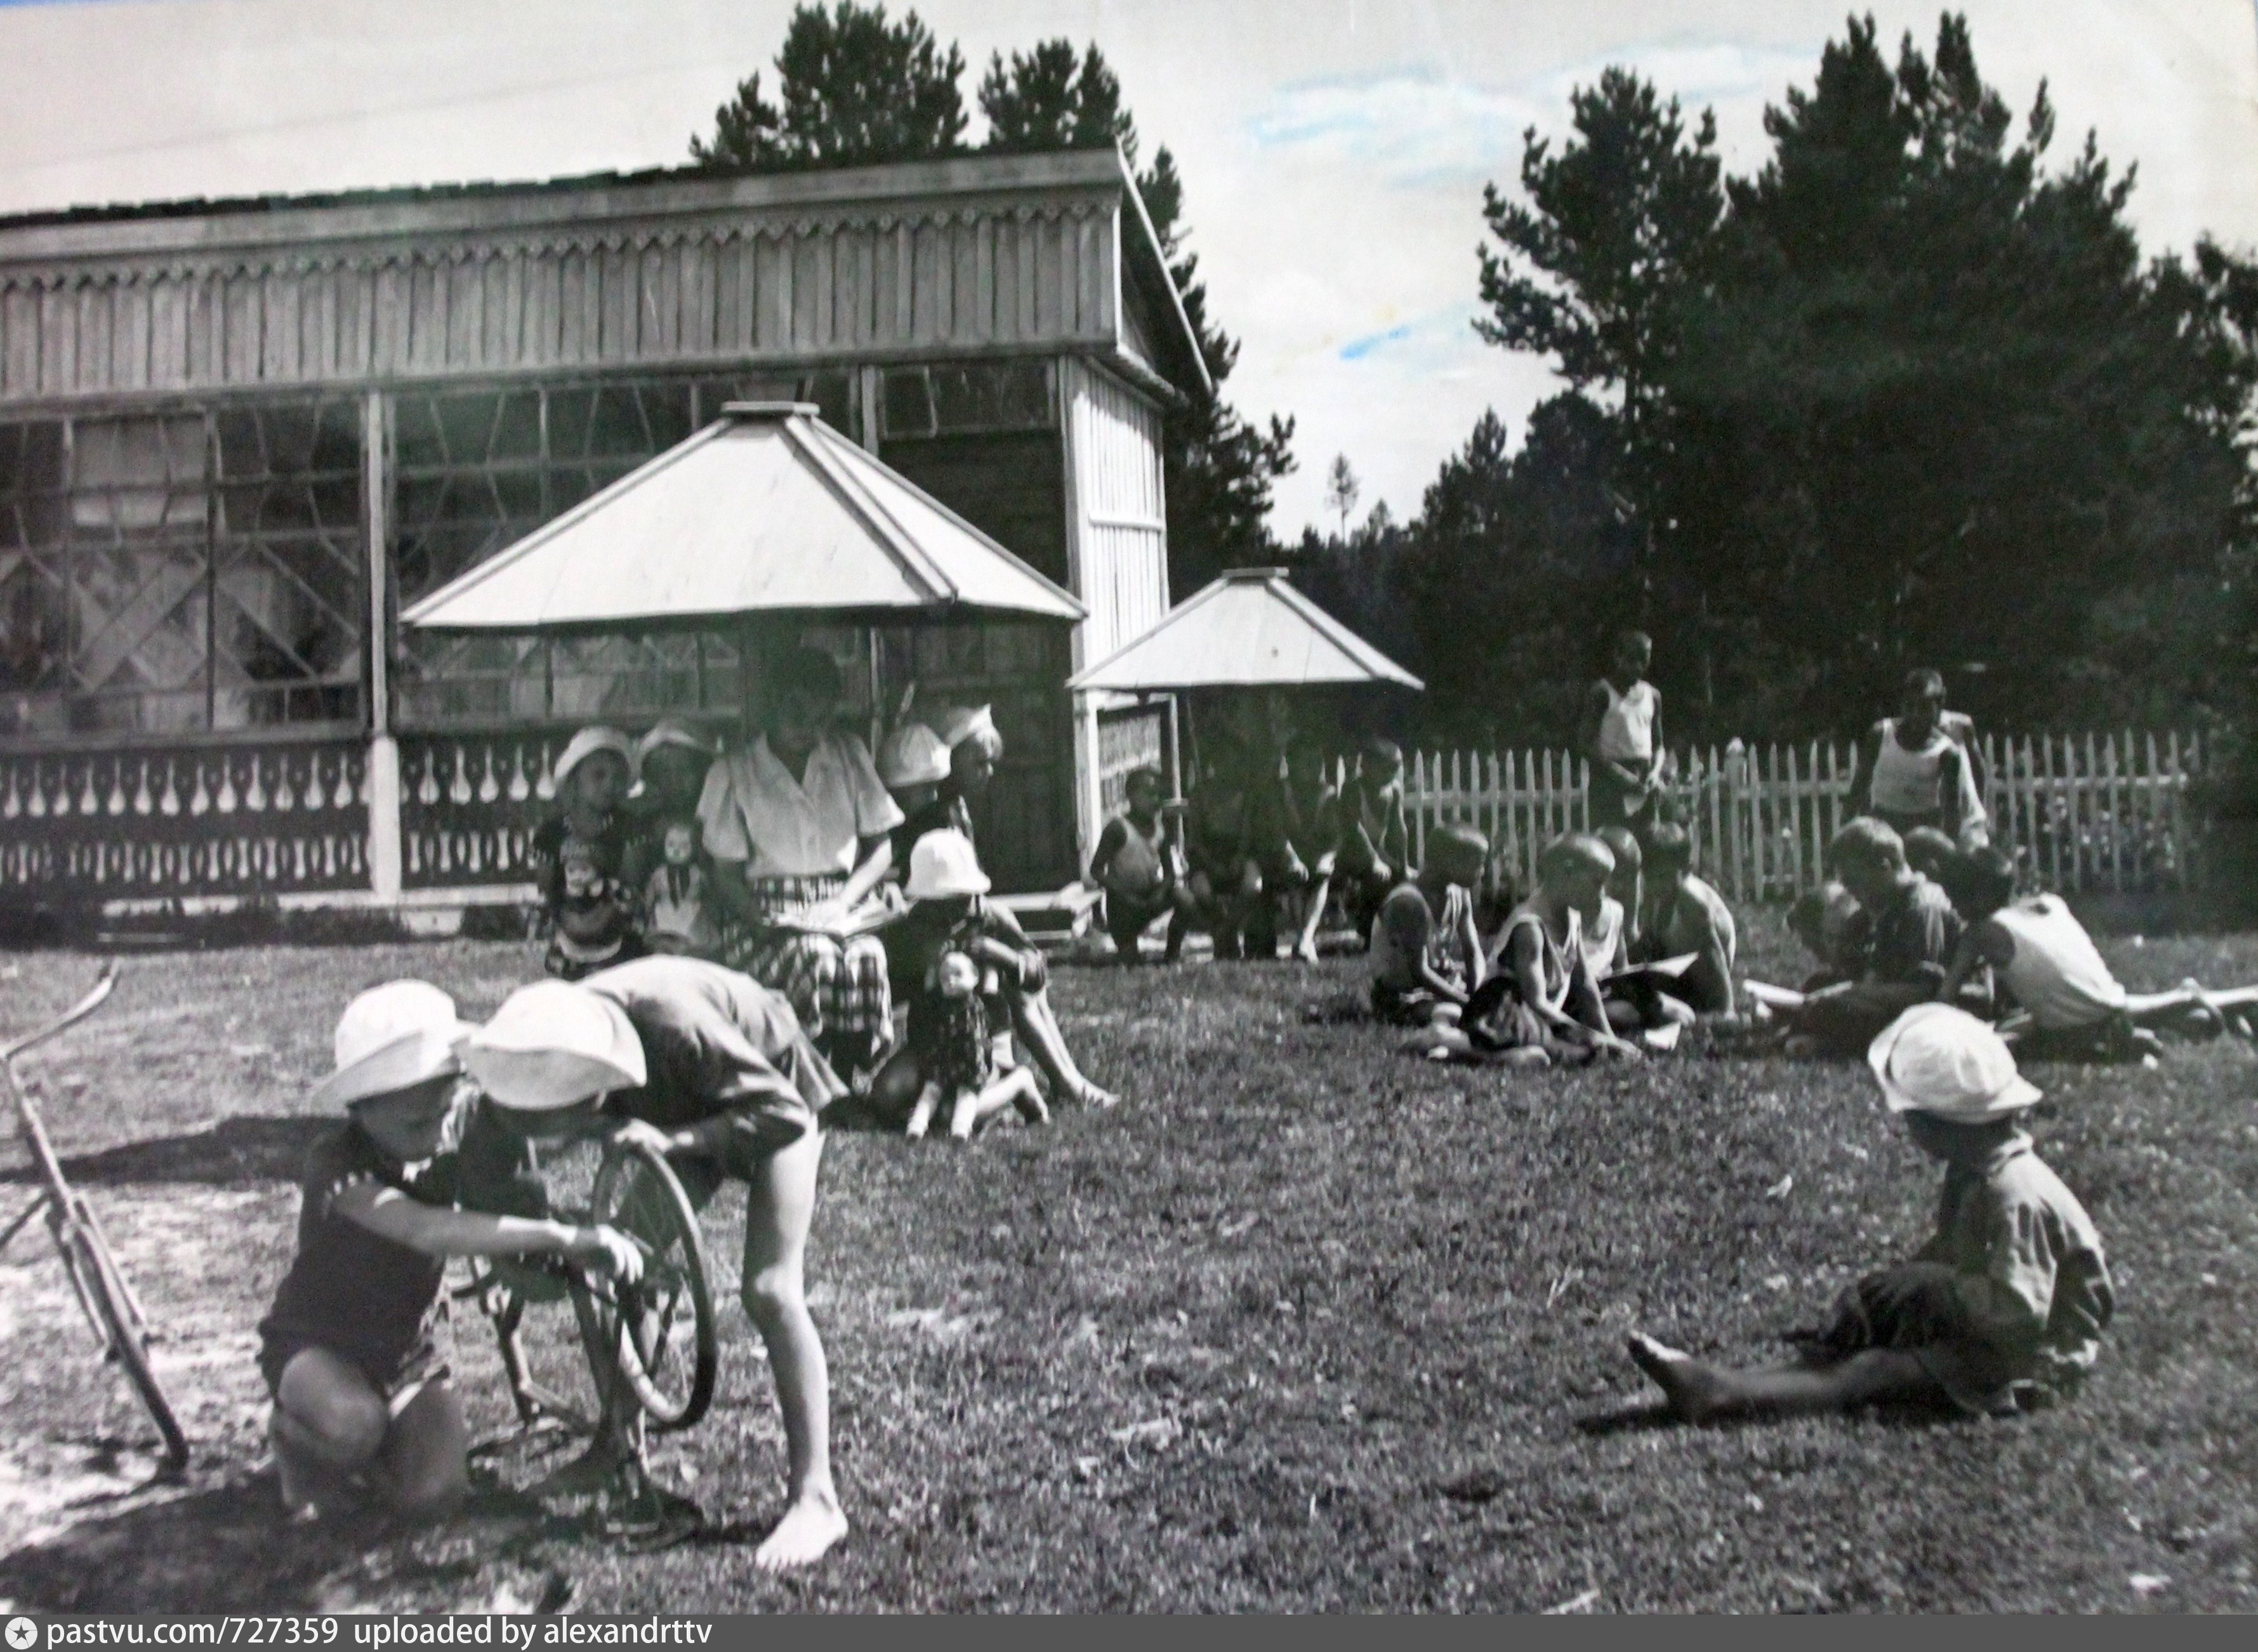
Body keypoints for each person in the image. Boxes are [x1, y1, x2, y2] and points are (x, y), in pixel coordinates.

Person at [465, 961, 850, 1571]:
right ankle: (618, 1441)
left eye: (570, 1122)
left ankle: (817, 1496)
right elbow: (494, 1193)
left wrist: (677, 1142)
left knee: (771, 1289)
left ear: (598, 1085)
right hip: (673, 1096)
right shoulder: (523, 1053)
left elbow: (784, 1112)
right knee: (618, 1262)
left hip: (772, 1088)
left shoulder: (675, 1026)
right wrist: (523, 1257)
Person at [258, 982, 643, 1524]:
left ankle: (370, 1444)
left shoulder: (459, 1128)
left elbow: (511, 1192)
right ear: (362, 1110)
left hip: (407, 1352)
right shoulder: (337, 1162)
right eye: (416, 1122)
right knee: (353, 1425)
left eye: (444, 1108)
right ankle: (294, 1438)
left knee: (434, 1498)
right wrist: (561, 1239)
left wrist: (546, 1243)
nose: (439, 1131)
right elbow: (426, 1229)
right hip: (320, 1342)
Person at [1626, 1003, 2112, 1424]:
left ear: (1936, 1124)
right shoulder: (1976, 1172)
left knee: (1876, 1368)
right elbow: (1954, 1254)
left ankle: (1723, 1394)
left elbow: (2018, 1312)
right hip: (1994, 1333)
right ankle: (1728, 1380)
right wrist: (1893, 1286)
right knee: (1867, 1339)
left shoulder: (2014, 1193)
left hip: (2033, 1359)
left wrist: (1931, 1282)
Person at [699, 648, 904, 1074]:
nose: (807, 728)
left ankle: (847, 1077)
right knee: (816, 955)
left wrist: (843, 902)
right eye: (796, 712)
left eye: (821, 717)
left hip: (840, 906)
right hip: (765, 919)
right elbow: (726, 876)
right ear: (772, 703)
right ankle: (811, 1075)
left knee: (868, 957)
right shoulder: (738, 770)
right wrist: (763, 919)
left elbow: (881, 848)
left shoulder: (847, 756)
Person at [874, 830, 1119, 1117]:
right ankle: (976, 1102)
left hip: (982, 1044)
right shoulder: (915, 928)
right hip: (930, 1044)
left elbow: (1036, 976)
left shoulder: (992, 918)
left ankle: (1018, 1083)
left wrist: (1003, 956)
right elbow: (895, 990)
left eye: (960, 899)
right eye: (938, 904)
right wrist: (919, 964)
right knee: (885, 1095)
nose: (951, 912)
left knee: (954, 1114)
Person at [1933, 846, 2159, 1062]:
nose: (1954, 908)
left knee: (1995, 1045)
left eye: (1955, 900)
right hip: (2112, 1009)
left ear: (1976, 898)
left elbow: (1945, 998)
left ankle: (2117, 1046)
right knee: (2016, 1024)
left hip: (2071, 1030)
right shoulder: (2050, 905)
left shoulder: (1979, 934)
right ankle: (2122, 1035)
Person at [1783, 818, 1963, 1057]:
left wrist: (1850, 993)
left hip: (1939, 1011)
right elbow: (1876, 977)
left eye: (1854, 881)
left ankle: (1828, 1045)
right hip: (1900, 1000)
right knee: (1819, 987)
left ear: (1884, 867)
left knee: (1833, 1009)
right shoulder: (1889, 908)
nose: (1852, 893)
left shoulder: (1922, 908)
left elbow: (1923, 991)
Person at [1459, 834, 1644, 1065]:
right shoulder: (1530, 925)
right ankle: (1454, 1043)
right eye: (1597, 884)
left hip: (1539, 1019)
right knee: (1562, 1057)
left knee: (1588, 1053)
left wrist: (1609, 1037)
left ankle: (1519, 1051)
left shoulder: (1572, 917)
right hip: (1503, 1015)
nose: (1603, 894)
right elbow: (1536, 1002)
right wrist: (1595, 1038)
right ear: (1567, 873)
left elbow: (1585, 986)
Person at [531, 726, 644, 980]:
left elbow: (632, 882)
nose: (609, 785)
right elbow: (547, 887)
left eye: (617, 778)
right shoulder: (553, 832)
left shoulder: (627, 828)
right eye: (598, 776)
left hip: (616, 927)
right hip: (570, 925)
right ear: (575, 779)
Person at [901, 948, 1048, 1141]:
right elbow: (918, 1029)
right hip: (944, 1064)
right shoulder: (938, 996)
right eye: (945, 977)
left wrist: (991, 950)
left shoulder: (979, 1003)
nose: (951, 981)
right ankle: (918, 1126)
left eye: (957, 976)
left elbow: (1030, 976)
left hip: (979, 1060)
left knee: (954, 1109)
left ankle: (1019, 1081)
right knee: (929, 1093)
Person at [1369, 823, 1488, 1032]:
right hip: (1403, 994)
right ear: (1450, 862)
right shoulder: (1409, 902)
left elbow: (1473, 951)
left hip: (1441, 982)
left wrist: (1476, 992)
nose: (1482, 871)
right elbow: (1419, 972)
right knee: (1456, 1015)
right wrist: (1469, 1003)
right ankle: (1442, 1039)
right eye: (1476, 864)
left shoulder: (1459, 894)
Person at [1856, 669, 1988, 847]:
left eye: (1924, 708)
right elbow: (1859, 788)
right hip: (1888, 822)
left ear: (1939, 704)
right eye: (1910, 706)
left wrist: (1978, 806)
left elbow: (1953, 806)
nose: (1916, 715)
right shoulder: (1883, 734)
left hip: (1937, 825)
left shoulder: (1952, 739)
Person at [1088, 765, 1197, 963]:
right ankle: (1128, 945)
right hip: (1123, 905)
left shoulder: (1160, 829)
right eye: (1149, 794)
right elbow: (1096, 870)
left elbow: (1170, 874)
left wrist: (1159, 894)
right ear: (1131, 796)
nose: (1155, 801)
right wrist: (1125, 894)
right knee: (1131, 962)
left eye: (1158, 795)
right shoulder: (1118, 829)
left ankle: (1172, 955)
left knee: (1186, 899)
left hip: (1149, 896)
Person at [1639, 823, 1738, 1017]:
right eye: (1651, 877)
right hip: (1680, 965)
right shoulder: (1655, 893)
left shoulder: (1692, 900)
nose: (1657, 884)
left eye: (1665, 877)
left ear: (1687, 870)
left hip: (1706, 976)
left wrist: (1727, 1008)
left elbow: (1714, 955)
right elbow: (1648, 939)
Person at [1580, 630, 1663, 840]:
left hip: (1643, 781)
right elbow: (1585, 743)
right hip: (1610, 781)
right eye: (1631, 660)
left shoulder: (1652, 695)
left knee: (1647, 845)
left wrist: (1654, 773)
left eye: (1643, 661)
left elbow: (1659, 745)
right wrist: (1621, 775)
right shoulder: (1602, 692)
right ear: (1618, 657)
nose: (1637, 667)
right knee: (1612, 846)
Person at [1335, 736, 1413, 942]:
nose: (1391, 775)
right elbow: (1354, 830)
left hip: (1376, 850)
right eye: (1385, 768)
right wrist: (1375, 861)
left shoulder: (1393, 791)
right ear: (1366, 767)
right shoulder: (1352, 790)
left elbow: (1398, 829)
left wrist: (1404, 866)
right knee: (1376, 876)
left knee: (1400, 878)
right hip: (1349, 851)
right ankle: (1367, 932)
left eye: (1394, 769)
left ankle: (1394, 932)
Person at [1276, 735, 1343, 963]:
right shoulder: (1282, 791)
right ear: (1292, 764)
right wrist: (1292, 859)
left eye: (1317, 763)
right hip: (1285, 855)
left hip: (1316, 856)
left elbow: (1336, 837)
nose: (1313, 769)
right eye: (1306, 762)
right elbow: (1278, 832)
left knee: (1321, 876)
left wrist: (1327, 858)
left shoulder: (1327, 794)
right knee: (1296, 877)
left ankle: (1305, 939)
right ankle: (1302, 939)